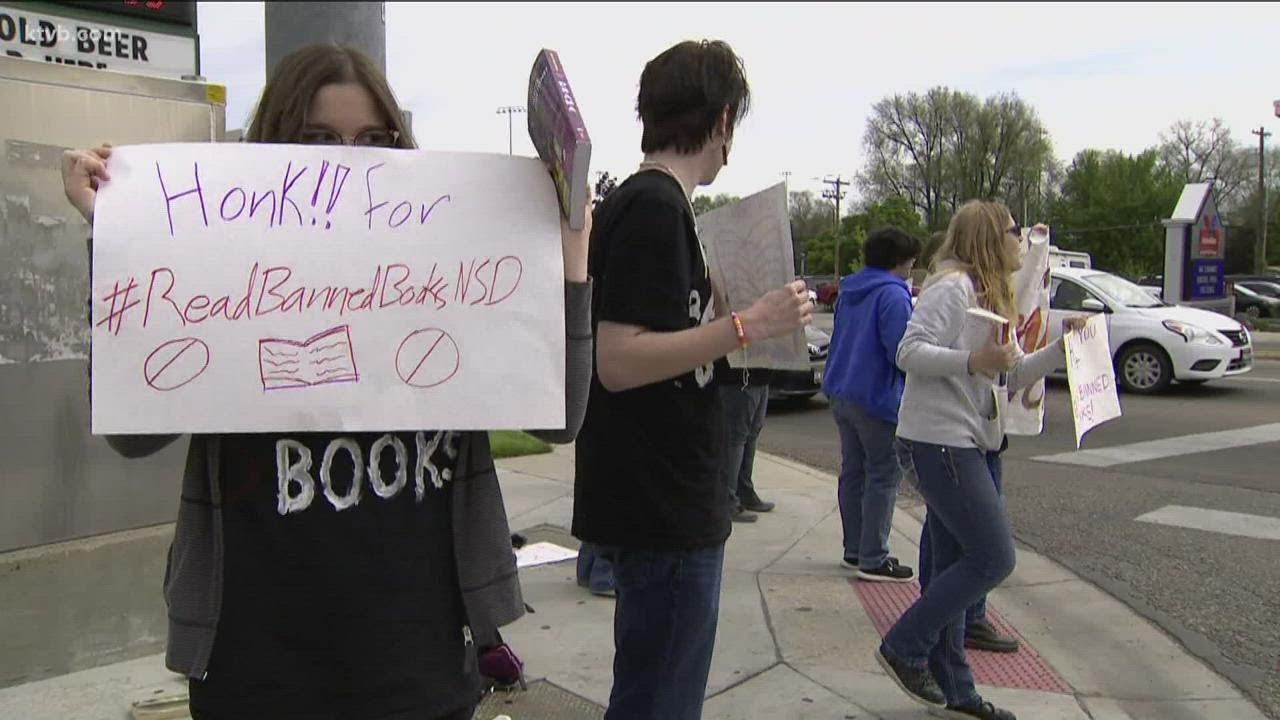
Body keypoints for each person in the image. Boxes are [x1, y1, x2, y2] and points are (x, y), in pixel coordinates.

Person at [61, 43, 594, 720]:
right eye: (318, 139)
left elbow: (559, 419)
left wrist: (571, 255)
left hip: (420, 658)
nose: (346, 160)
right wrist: (119, 243)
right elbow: (134, 438)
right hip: (257, 664)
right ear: (274, 143)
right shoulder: (220, 263)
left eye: (375, 139)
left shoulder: (447, 262)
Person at [572, 40, 814, 720]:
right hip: (663, 504)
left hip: (657, 497)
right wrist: (749, 324)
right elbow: (618, 361)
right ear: (721, 121)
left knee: (650, 690)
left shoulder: (644, 203)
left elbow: (647, 338)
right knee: (660, 701)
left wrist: (713, 306)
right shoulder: (653, 207)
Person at [876, 200, 1086, 720]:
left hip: (975, 440)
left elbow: (1007, 377)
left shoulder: (993, 295)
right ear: (993, 237)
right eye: (1016, 231)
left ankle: (957, 691)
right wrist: (975, 359)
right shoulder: (952, 287)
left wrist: (1062, 346)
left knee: (952, 567)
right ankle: (905, 645)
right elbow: (908, 351)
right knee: (994, 557)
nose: (1023, 241)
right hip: (943, 441)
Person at [822, 226, 923, 582]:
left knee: (853, 471)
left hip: (841, 388)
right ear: (899, 260)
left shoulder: (850, 290)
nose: (914, 265)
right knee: (883, 474)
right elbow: (900, 351)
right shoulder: (894, 296)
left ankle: (854, 549)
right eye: (912, 259)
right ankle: (874, 556)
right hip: (876, 395)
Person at [716, 360, 775, 523]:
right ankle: (728, 500)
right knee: (736, 439)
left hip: (759, 376)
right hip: (738, 378)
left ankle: (744, 491)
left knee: (751, 435)